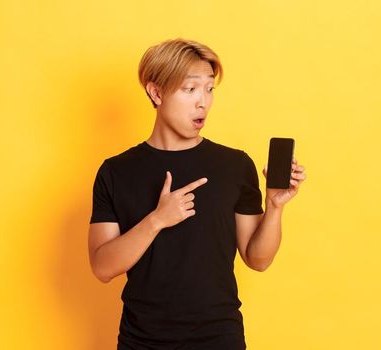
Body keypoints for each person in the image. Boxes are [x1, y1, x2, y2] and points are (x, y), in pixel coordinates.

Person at [87, 38, 307, 349]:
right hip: (142, 340)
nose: (203, 101)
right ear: (156, 92)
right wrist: (157, 219)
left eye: (209, 89)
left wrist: (274, 207)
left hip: (219, 338)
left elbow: (257, 259)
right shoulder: (116, 171)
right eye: (190, 90)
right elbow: (102, 267)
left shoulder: (234, 165)